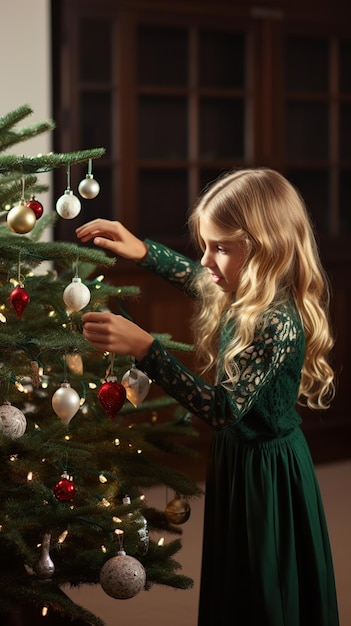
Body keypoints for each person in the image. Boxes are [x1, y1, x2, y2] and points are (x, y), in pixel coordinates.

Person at [76, 167, 339, 626]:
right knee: (237, 581)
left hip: (267, 472)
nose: (206, 260)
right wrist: (143, 251)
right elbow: (199, 279)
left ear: (265, 249)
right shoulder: (245, 290)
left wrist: (146, 349)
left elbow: (222, 410)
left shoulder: (275, 319)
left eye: (220, 248)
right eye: (204, 245)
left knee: (265, 587)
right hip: (238, 459)